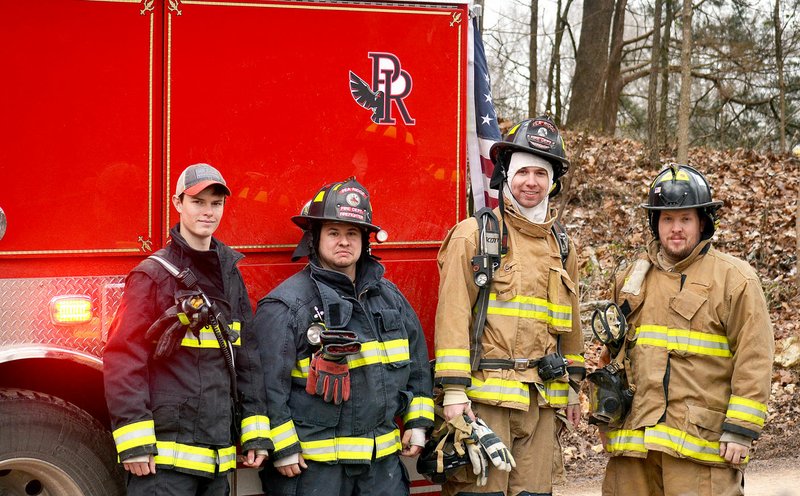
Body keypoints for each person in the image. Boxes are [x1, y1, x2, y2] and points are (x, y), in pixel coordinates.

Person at [599, 163, 775, 496]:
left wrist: (741, 430)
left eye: (685, 219)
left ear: (703, 222)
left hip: (699, 449)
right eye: (667, 219)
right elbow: (612, 357)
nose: (675, 229)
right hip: (633, 451)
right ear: (655, 223)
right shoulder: (631, 280)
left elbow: (755, 357)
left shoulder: (734, 280)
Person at [253, 177, 434, 496]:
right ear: (315, 238)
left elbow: (418, 369)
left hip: (381, 471)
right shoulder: (287, 305)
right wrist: (282, 447)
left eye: (352, 233)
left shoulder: (390, 298)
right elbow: (266, 386)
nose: (343, 241)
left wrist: (417, 424)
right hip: (314, 472)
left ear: (365, 240)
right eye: (333, 232)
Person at [434, 116, 585, 496]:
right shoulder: (474, 236)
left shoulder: (562, 247)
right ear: (506, 175)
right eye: (522, 172)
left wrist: (571, 386)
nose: (531, 182)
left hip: (541, 403)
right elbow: (452, 315)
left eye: (540, 173)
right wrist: (454, 392)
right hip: (485, 402)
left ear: (553, 182)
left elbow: (572, 325)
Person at [103, 163, 272, 495]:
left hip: (217, 460)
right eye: (198, 202)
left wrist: (255, 431)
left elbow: (247, 357)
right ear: (177, 203)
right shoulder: (152, 275)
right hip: (163, 464)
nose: (208, 212)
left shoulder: (230, 274)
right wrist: (135, 439)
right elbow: (123, 358)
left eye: (216, 203)